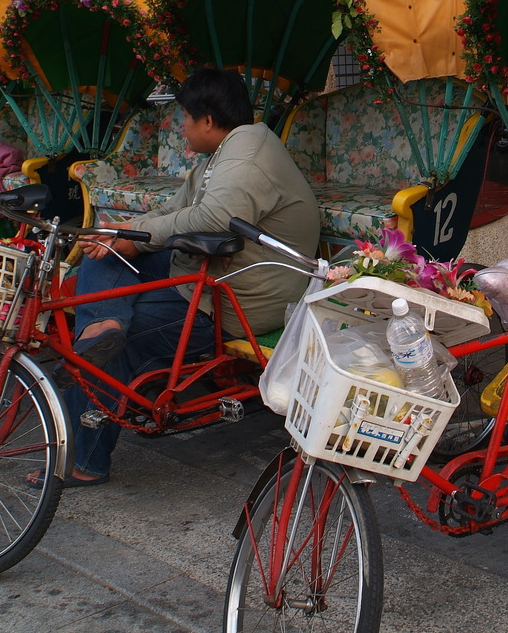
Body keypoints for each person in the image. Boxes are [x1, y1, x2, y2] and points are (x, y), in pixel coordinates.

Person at [51, 68, 320, 487]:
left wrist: (136, 241)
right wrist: (119, 234)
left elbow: (214, 220)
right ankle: (102, 327)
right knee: (101, 258)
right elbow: (171, 210)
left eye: (185, 120)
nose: (183, 130)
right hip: (203, 271)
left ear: (208, 121)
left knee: (124, 338)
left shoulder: (248, 154)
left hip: (233, 300)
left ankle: (83, 460)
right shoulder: (222, 156)